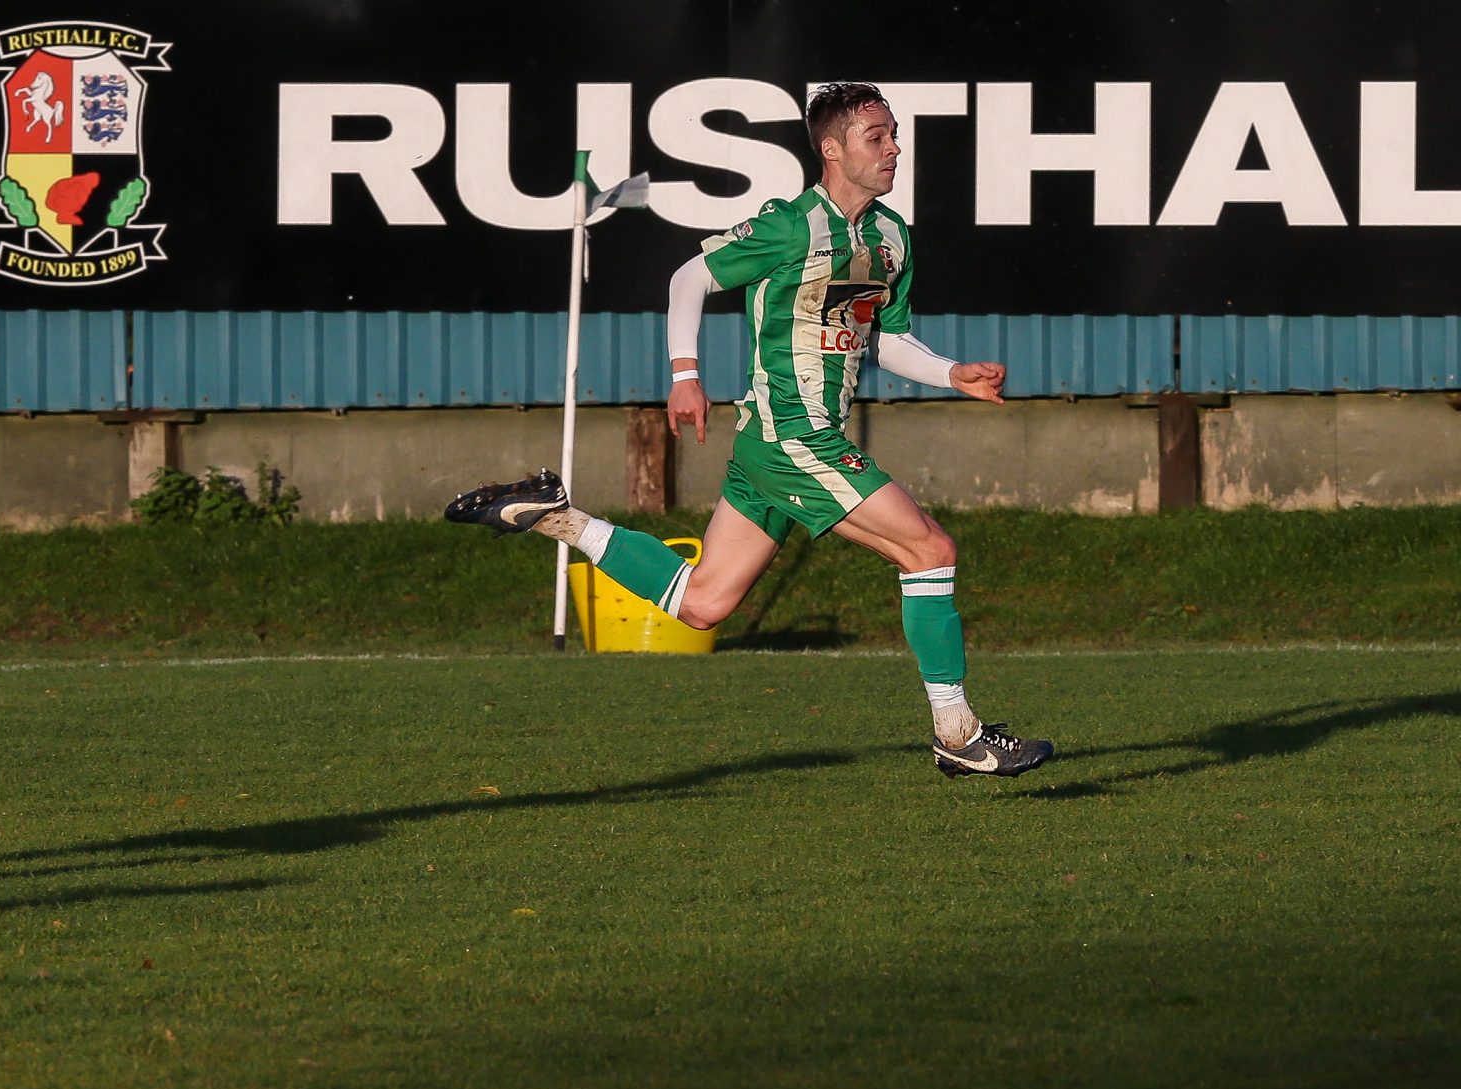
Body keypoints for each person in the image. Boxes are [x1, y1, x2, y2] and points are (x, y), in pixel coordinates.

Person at [445, 82, 1052, 780]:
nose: (893, 148)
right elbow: (688, 279)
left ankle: (559, 518)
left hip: (777, 446)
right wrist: (685, 373)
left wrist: (951, 373)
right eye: (876, 136)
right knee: (930, 550)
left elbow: (880, 336)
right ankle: (958, 731)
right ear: (832, 150)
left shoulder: (890, 236)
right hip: (795, 437)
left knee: (703, 603)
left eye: (894, 135)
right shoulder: (791, 226)